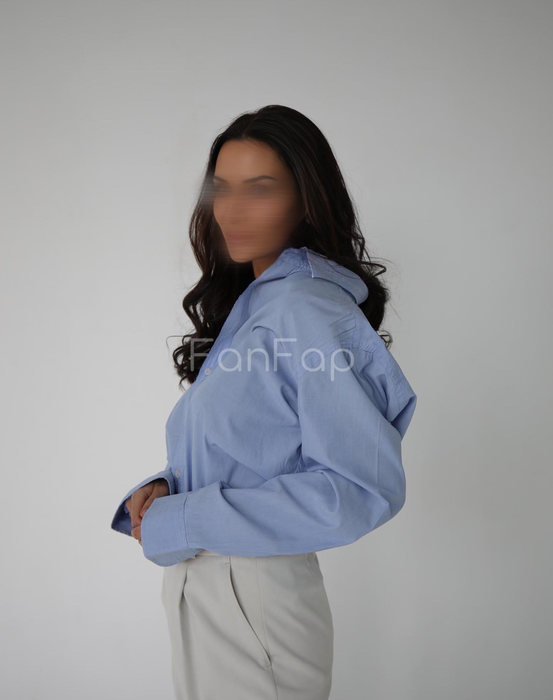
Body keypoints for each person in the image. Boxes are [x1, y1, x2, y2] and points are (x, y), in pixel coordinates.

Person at [110, 104, 418, 700]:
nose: (231, 210)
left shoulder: (305, 308)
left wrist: (186, 518)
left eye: (260, 189)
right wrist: (169, 486)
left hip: (251, 597)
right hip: (215, 589)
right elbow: (258, 449)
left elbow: (361, 487)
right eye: (222, 189)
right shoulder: (256, 307)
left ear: (306, 200)